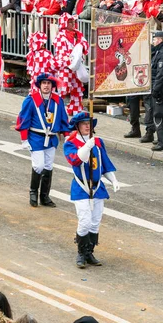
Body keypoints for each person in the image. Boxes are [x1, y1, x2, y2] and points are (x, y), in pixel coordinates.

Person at [64, 112, 120, 268]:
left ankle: (89, 252)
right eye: (83, 123)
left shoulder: (98, 142)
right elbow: (76, 160)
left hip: (97, 187)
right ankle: (81, 253)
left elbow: (105, 165)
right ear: (77, 126)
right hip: (81, 187)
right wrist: (87, 146)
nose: (87, 126)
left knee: (95, 223)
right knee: (85, 222)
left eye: (89, 123)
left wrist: (113, 180)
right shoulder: (70, 143)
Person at [16, 73, 69, 208]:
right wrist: (24, 139)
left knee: (48, 166)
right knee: (38, 165)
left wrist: (67, 135)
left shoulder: (57, 100)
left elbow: (63, 119)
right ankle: (33, 192)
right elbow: (24, 119)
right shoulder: (31, 100)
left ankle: (44, 196)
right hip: (36, 138)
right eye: (44, 83)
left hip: (51, 138)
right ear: (39, 85)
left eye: (49, 83)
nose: (46, 86)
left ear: (52, 86)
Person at [141, 31, 163, 150]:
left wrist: (156, 89)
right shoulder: (160, 52)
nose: (153, 41)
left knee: (159, 114)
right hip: (161, 87)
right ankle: (162, 139)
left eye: (155, 39)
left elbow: (162, 74)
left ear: (160, 40)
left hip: (162, 88)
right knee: (159, 114)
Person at [53, 13, 89, 115]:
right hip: (65, 67)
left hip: (76, 67)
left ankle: (75, 110)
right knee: (63, 89)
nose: (72, 24)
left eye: (73, 21)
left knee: (77, 89)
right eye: (69, 22)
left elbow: (86, 45)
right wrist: (70, 61)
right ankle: (57, 110)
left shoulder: (78, 34)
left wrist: (81, 47)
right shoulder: (60, 36)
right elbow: (61, 53)